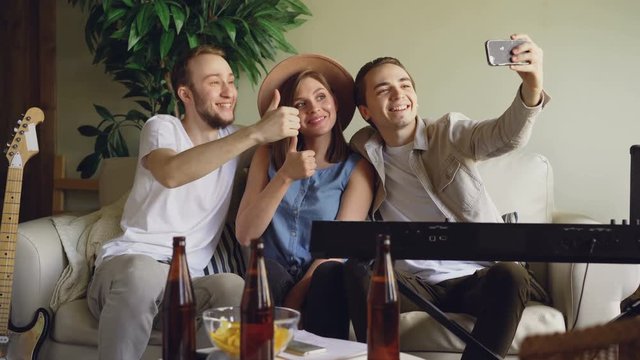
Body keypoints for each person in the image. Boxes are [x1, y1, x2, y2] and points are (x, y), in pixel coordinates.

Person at [87, 45, 301, 360]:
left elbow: (297, 145)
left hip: (185, 286)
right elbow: (171, 173)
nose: (229, 91)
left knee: (233, 287)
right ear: (186, 94)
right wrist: (256, 133)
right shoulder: (162, 127)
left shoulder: (236, 141)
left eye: (231, 81)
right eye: (215, 82)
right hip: (128, 269)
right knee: (144, 274)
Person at [344, 34, 551, 359]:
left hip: (476, 276)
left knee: (512, 273)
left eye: (405, 85)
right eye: (383, 90)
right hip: (413, 284)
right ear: (366, 111)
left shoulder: (450, 133)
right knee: (354, 272)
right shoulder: (363, 150)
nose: (398, 94)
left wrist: (532, 86)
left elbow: (505, 135)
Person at [235, 54, 374, 339]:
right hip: (273, 276)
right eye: (300, 104)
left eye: (321, 97)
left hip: (324, 279)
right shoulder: (266, 155)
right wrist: (285, 175)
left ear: (335, 102)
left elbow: (339, 250)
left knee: (330, 275)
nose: (314, 108)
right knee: (266, 270)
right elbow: (246, 235)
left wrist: (295, 300)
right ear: (288, 113)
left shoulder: (357, 169)